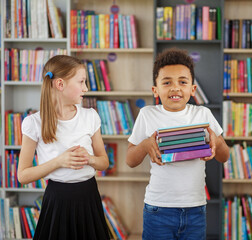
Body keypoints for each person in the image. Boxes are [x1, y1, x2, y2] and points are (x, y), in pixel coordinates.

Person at [126, 48, 229, 240]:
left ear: (193, 89)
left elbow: (224, 157)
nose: (175, 88)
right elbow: (130, 160)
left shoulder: (202, 115)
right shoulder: (147, 114)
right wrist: (146, 145)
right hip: (158, 209)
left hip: (195, 208)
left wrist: (217, 142)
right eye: (167, 82)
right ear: (155, 89)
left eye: (182, 82)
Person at [18, 55, 110, 240]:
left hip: (88, 197)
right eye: (81, 82)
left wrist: (89, 159)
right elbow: (23, 175)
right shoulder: (34, 123)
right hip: (57, 200)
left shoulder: (90, 116)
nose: (86, 88)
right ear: (60, 84)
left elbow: (104, 162)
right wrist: (59, 161)